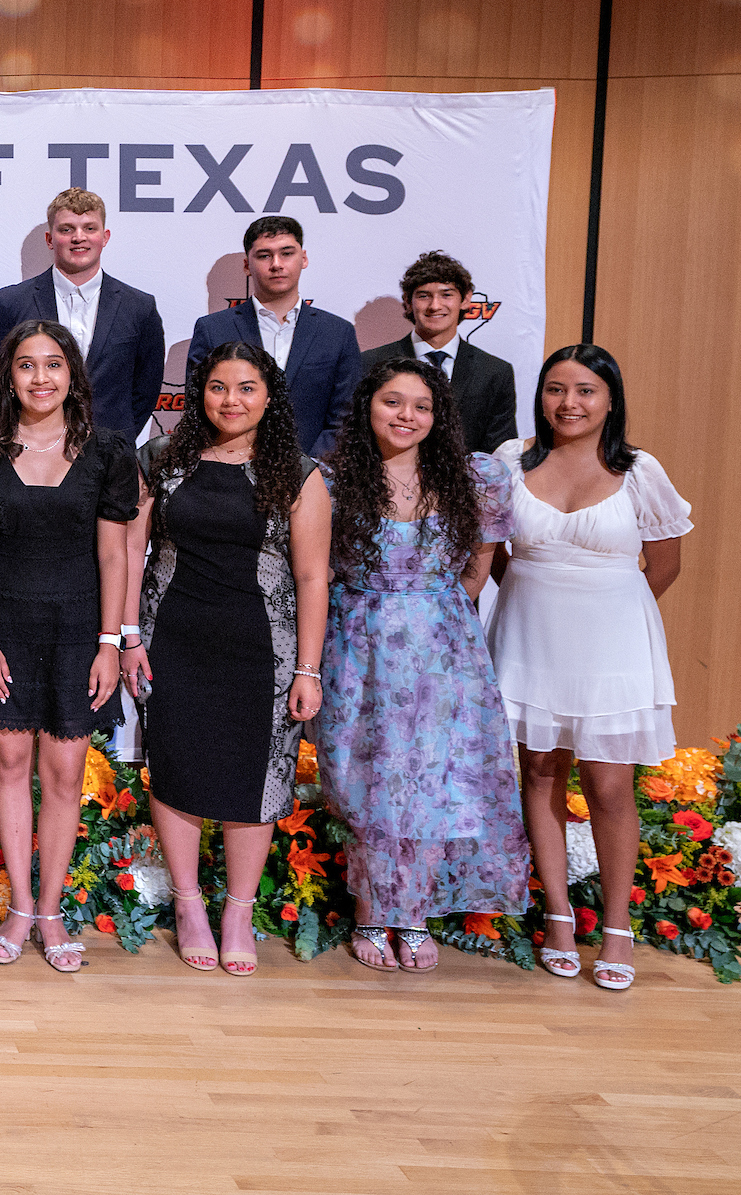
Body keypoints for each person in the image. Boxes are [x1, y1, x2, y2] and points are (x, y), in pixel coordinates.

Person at [487, 345, 689, 992]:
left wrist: (612, 611)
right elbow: (492, 552)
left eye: (584, 391)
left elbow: (664, 564)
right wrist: (527, 591)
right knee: (541, 771)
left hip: (613, 647)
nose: (568, 403)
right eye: (555, 389)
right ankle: (557, 918)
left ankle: (618, 926)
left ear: (610, 400)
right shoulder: (509, 461)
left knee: (608, 785)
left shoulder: (640, 470)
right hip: (529, 640)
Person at [124, 342, 329, 978]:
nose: (230, 401)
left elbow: (313, 577)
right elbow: (131, 552)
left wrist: (308, 669)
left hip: (262, 648)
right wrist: (130, 637)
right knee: (176, 764)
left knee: (255, 778)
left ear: (269, 397)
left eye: (245, 388)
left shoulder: (298, 473)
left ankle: (237, 911)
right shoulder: (161, 459)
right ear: (198, 394)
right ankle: (189, 905)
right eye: (217, 387)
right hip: (172, 638)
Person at [317, 359, 526, 973]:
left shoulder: (477, 476)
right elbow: (318, 570)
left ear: (439, 418)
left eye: (421, 406)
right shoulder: (330, 482)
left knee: (433, 777)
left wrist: (431, 614)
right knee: (371, 781)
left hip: (442, 648)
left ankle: (412, 915)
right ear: (367, 407)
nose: (406, 416)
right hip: (360, 645)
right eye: (393, 402)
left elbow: (477, 569)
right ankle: (373, 912)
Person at [0, 320, 140, 974]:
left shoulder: (109, 449)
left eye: (53, 365)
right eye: (26, 365)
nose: (39, 377)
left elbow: (115, 555)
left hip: (78, 631)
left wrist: (110, 644)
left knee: (63, 776)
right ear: (9, 376)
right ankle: (21, 908)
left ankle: (53, 910)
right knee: (8, 767)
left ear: (72, 375)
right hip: (0, 628)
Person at [0, 189, 166, 444]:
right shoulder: (11, 303)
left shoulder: (139, 307)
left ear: (105, 236)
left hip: (110, 454)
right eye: (66, 229)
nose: (79, 238)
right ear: (50, 239)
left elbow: (146, 388)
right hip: (27, 451)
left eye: (89, 228)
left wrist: (117, 438)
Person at [186, 216, 360, 457]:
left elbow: (346, 418)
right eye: (264, 255)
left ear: (304, 258)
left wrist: (308, 471)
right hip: (229, 471)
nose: (276, 264)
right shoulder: (213, 329)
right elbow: (197, 408)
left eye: (286, 253)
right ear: (247, 265)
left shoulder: (337, 333)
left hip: (313, 475)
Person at [360, 250, 518, 453]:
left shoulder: (494, 372)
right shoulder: (371, 363)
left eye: (446, 295)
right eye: (424, 296)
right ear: (408, 302)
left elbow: (499, 452)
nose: (435, 306)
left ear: (466, 299)